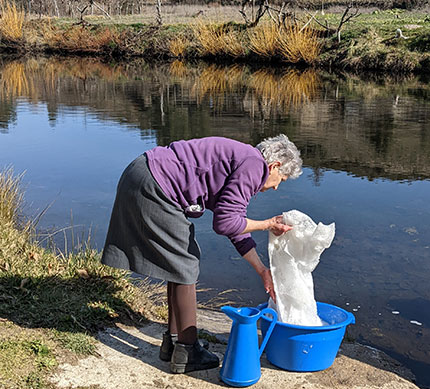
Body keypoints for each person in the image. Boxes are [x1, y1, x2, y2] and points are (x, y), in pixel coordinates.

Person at [102, 134, 302, 373]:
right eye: (282, 179)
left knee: (179, 263)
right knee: (185, 264)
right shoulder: (253, 166)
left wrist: (261, 270)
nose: (277, 186)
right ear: (274, 166)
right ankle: (188, 351)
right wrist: (267, 224)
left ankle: (175, 344)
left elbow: (233, 226)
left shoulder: (244, 159)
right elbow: (226, 223)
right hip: (156, 184)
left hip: (143, 173)